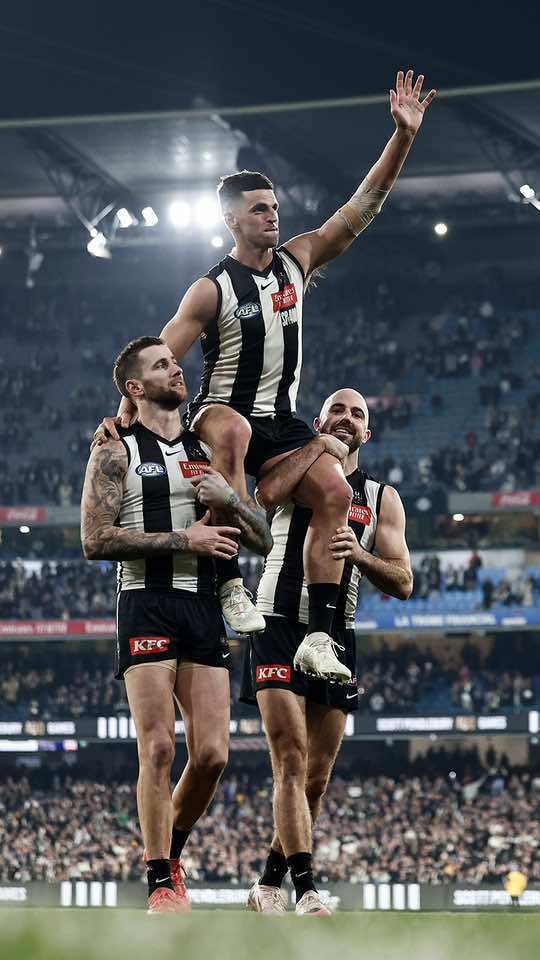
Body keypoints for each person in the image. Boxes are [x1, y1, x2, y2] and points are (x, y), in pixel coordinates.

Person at [95, 69, 435, 683]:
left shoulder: (298, 262)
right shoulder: (210, 288)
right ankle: (229, 586)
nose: (273, 218)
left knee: (336, 491)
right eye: (259, 210)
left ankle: (319, 639)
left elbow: (362, 207)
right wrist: (123, 416)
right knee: (233, 432)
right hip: (221, 411)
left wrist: (403, 138)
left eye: (276, 207)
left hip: (282, 423)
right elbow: (155, 357)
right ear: (232, 220)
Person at [81, 336, 272, 915]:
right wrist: (183, 539)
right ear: (134, 389)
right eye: (162, 364)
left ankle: (174, 851)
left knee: (213, 755)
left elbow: (261, 539)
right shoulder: (115, 449)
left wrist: (233, 503)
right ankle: (160, 880)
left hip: (203, 606)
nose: (176, 367)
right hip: (146, 601)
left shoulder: (206, 450)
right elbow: (94, 539)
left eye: (175, 359)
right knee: (159, 745)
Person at [239, 388, 412, 915]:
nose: (346, 418)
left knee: (315, 776)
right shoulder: (296, 466)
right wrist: (314, 450)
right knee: (289, 760)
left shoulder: (382, 497)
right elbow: (264, 495)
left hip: (338, 635)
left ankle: (268, 882)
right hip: (276, 622)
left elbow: (403, 580)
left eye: (357, 414)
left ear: (368, 432)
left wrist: (358, 554)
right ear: (318, 420)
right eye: (337, 410)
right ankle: (307, 890)